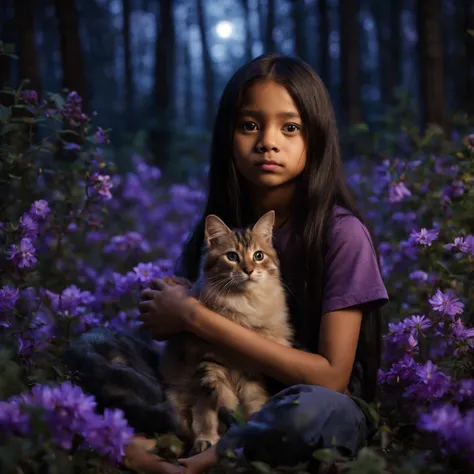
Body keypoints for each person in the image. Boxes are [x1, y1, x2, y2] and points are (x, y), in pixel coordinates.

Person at [129, 53, 388, 473]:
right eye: (250, 125)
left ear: (316, 138)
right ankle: (172, 438)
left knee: (319, 408)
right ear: (227, 137)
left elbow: (331, 379)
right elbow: (183, 342)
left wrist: (192, 315)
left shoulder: (342, 235)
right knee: (97, 348)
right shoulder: (217, 231)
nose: (268, 141)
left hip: (304, 401)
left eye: (290, 127)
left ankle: (193, 464)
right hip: (212, 388)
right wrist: (165, 307)